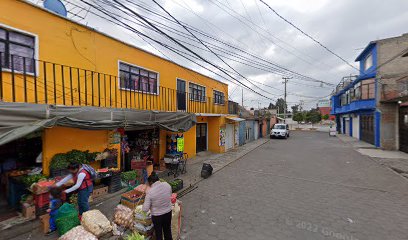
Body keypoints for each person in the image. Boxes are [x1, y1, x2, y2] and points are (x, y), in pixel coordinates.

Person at [142, 172, 173, 240]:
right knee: (168, 231)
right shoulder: (167, 185)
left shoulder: (150, 192)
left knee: (159, 234)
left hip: (157, 216)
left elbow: (145, 209)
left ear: (151, 182)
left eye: (149, 183)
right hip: (168, 213)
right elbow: (169, 195)